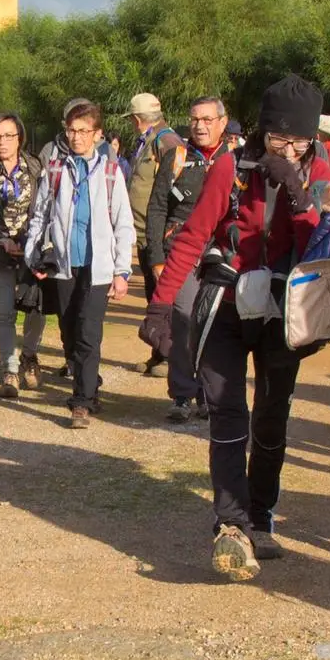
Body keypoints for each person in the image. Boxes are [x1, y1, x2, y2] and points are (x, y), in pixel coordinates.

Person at [145, 76, 330, 579]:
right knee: (229, 413)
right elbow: (193, 236)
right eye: (278, 139)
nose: (288, 148)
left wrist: (296, 191)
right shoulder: (231, 166)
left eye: (298, 141)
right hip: (226, 302)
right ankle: (230, 523)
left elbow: (323, 248)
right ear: (261, 131)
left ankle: (261, 514)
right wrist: (160, 306)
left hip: (283, 310)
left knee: (272, 419)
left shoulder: (321, 169)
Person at [24, 98, 135, 429]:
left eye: (83, 131)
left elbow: (123, 223)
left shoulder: (111, 173)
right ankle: (90, 385)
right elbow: (40, 215)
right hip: (64, 265)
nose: (76, 137)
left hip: (98, 268)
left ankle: (82, 402)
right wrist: (33, 252)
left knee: (89, 332)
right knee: (70, 332)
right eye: (71, 131)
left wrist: (121, 270)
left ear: (97, 134)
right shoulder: (56, 171)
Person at [145, 95, 229, 421]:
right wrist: (155, 256)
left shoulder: (235, 161)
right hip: (178, 252)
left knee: (213, 323)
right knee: (182, 318)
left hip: (219, 255)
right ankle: (182, 394)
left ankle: (208, 393)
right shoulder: (176, 157)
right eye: (195, 119)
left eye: (208, 119)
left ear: (222, 122)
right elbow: (156, 208)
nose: (200, 125)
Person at [0, 113, 49, 398]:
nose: (2, 142)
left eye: (8, 136)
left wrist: (31, 242)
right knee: (5, 313)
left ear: (19, 138)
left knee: (36, 309)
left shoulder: (36, 166)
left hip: (31, 251)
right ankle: (10, 370)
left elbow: (45, 208)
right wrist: (1, 238)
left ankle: (29, 356)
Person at [121, 93, 182, 376]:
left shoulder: (166, 142)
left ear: (136, 119)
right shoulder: (149, 140)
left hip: (158, 234)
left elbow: (175, 191)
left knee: (164, 296)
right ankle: (159, 353)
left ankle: (171, 357)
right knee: (153, 295)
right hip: (144, 234)